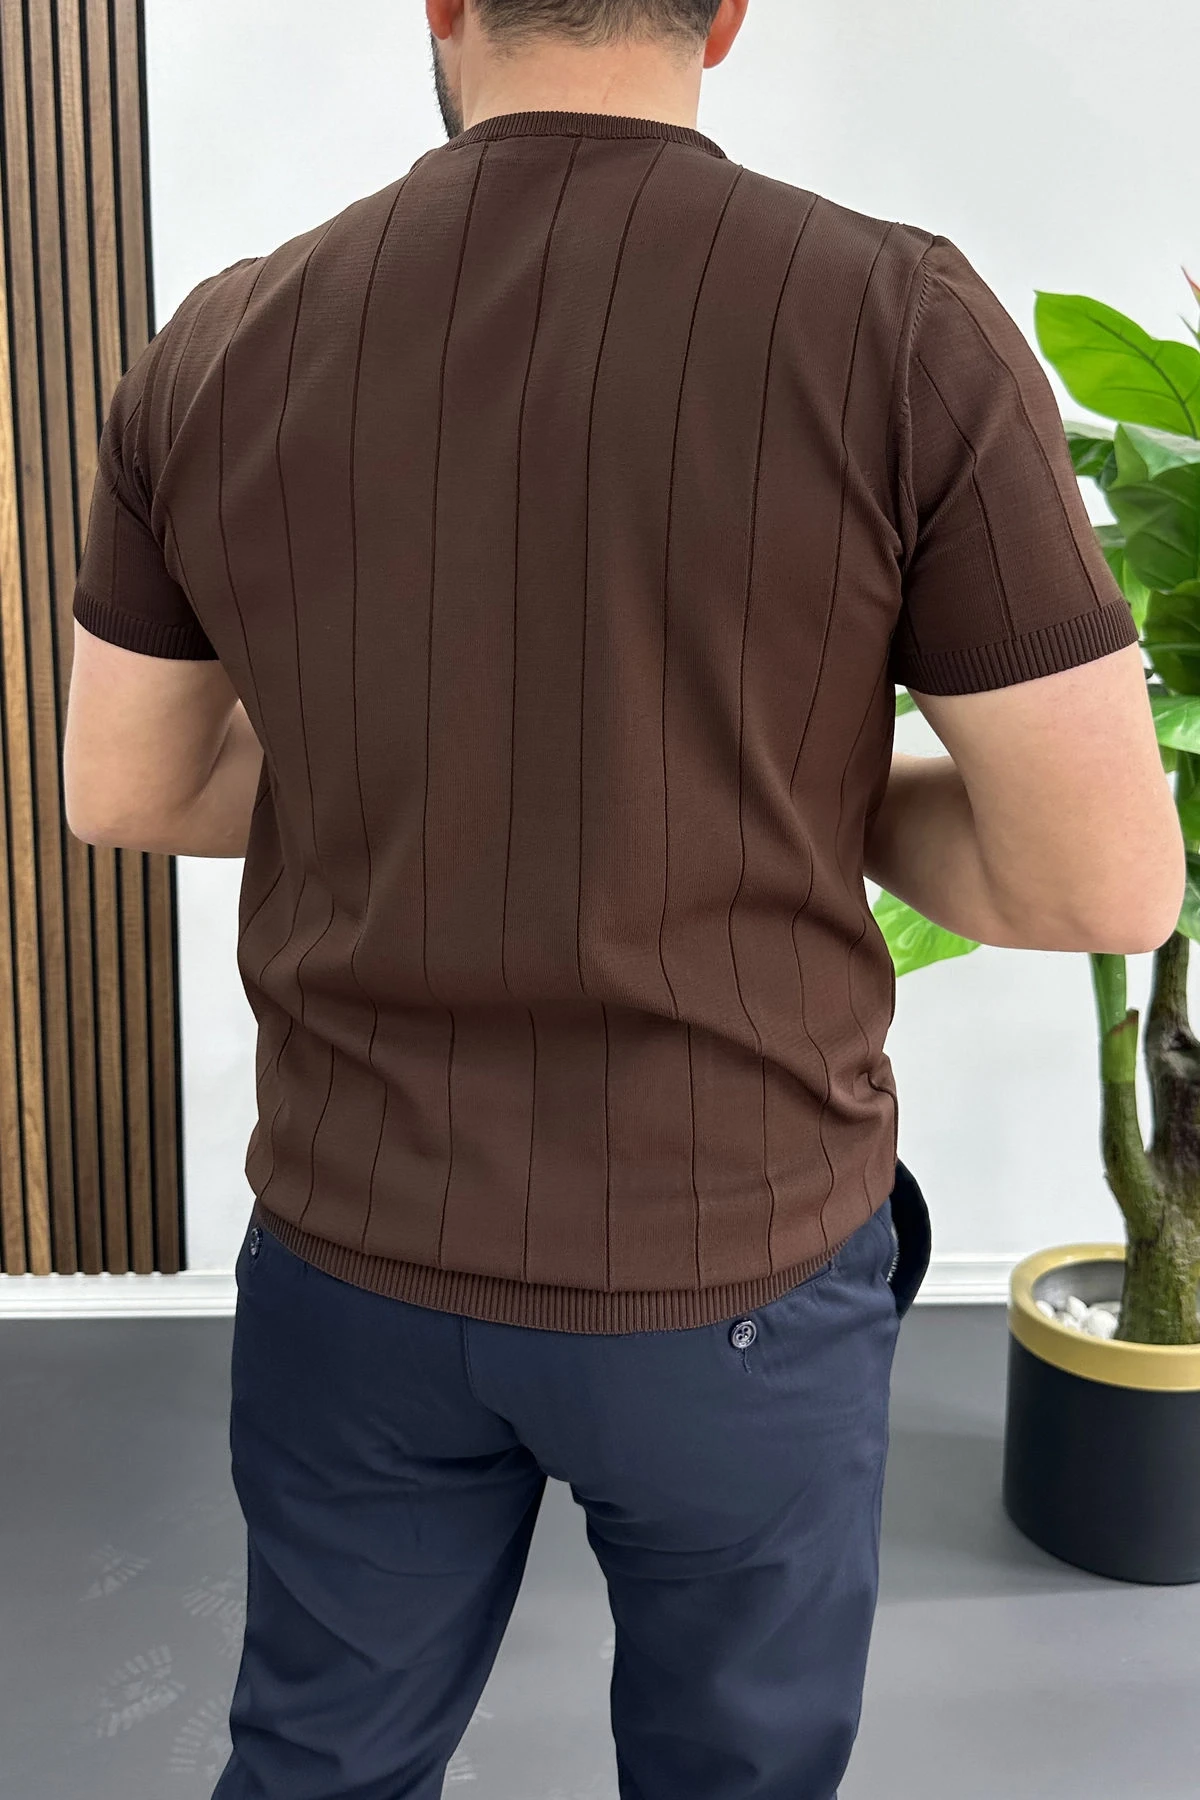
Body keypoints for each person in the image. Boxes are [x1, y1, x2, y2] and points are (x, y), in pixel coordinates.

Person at [62, 1, 1184, 1794]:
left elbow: (127, 786)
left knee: (320, 1764)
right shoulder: (894, 322)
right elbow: (1097, 877)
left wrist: (417, 774)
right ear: (724, 15)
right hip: (729, 1256)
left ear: (445, 7)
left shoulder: (224, 333)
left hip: (354, 1247)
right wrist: (788, 793)